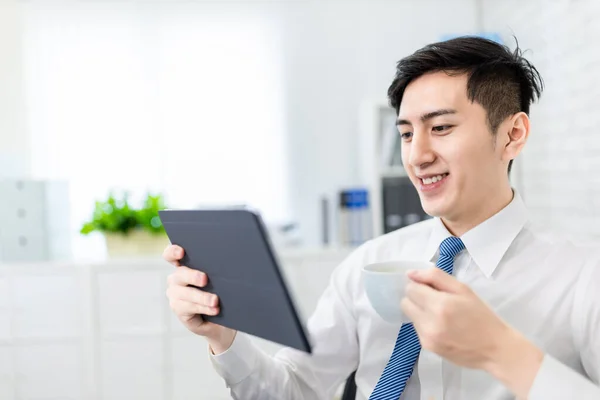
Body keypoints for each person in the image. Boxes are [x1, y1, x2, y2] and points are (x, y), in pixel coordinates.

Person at [163, 36, 600, 399]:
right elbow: (294, 389)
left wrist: (500, 350)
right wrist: (224, 336)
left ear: (513, 134)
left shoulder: (582, 278)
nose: (418, 155)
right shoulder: (367, 263)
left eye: (441, 128)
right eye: (407, 133)